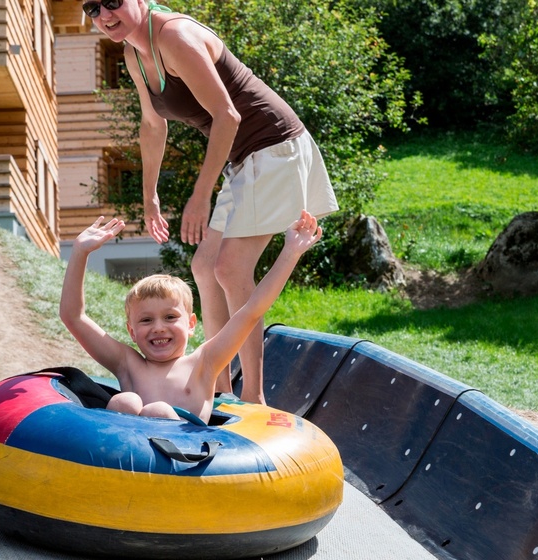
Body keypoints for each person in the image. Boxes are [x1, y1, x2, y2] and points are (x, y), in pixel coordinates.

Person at [82, 0, 338, 404]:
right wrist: (150, 196)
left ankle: (253, 398)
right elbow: (153, 125)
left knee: (230, 267)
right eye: (92, 8)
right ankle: (220, 389)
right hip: (245, 159)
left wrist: (200, 197)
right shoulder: (134, 52)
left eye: (112, 2)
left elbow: (227, 116)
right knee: (204, 266)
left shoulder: (174, 37)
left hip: (274, 148)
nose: (104, 15)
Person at [60, 211, 321, 422]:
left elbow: (252, 310)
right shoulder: (128, 364)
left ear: (191, 324)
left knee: (157, 411)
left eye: (170, 317)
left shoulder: (205, 362)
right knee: (124, 402)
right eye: (146, 320)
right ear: (132, 332)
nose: (159, 328)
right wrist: (80, 252)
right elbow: (73, 317)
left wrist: (290, 253)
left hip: (186, 459)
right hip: (132, 456)